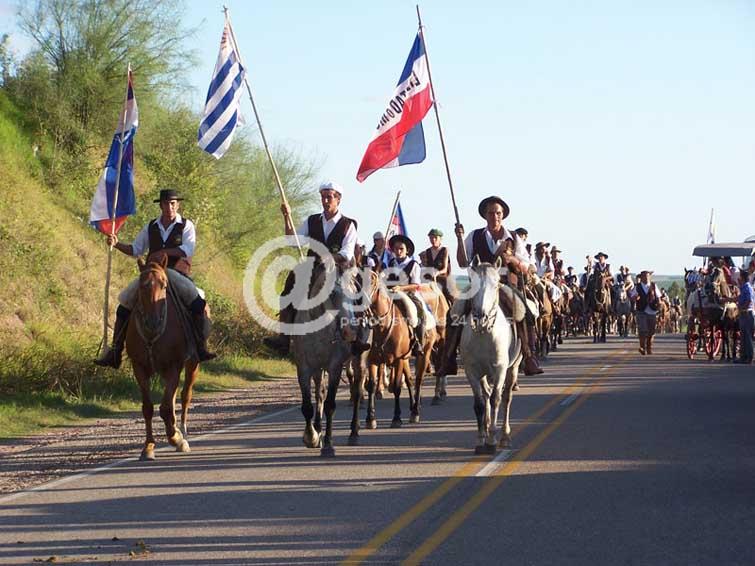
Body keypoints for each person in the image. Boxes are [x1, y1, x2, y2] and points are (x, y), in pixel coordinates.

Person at [94, 189, 215, 368]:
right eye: (166, 203)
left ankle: (200, 346)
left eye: (172, 203)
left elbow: (187, 249)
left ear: (178, 205)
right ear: (161, 206)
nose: (169, 207)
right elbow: (136, 249)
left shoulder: (186, 225)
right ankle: (115, 350)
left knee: (198, 303)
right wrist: (117, 244)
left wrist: (163, 252)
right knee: (124, 303)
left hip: (177, 274)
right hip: (153, 274)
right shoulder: (151, 226)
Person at [439, 195, 543, 376]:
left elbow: (527, 266)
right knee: (454, 313)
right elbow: (463, 262)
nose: (495, 216)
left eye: (498, 213)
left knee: (524, 312)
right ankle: (448, 359)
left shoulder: (513, 238)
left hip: (505, 285)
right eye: (491, 213)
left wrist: (512, 259)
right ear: (485, 215)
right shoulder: (474, 236)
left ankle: (529, 356)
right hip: (478, 286)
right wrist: (459, 239)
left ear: (503, 215)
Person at [263, 180, 366, 355]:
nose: (325, 201)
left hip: (337, 270)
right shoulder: (312, 220)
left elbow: (347, 253)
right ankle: (284, 337)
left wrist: (328, 258)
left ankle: (352, 335)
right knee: (288, 289)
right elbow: (293, 241)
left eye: (329, 197)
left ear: (338, 199)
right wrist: (287, 217)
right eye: (323, 197)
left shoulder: (348, 224)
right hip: (311, 268)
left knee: (349, 294)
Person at [385, 234, 430, 356]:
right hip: (391, 294)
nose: (398, 251)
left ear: (407, 250)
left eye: (401, 249)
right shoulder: (392, 263)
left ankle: (419, 341)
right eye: (396, 249)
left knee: (419, 312)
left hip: (409, 294)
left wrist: (401, 288)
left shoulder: (413, 265)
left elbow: (416, 285)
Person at [631, 270, 661, 355]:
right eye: (644, 276)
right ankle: (642, 347)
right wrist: (635, 298)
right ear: (641, 278)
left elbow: (658, 297)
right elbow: (632, 296)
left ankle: (649, 347)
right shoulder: (637, 287)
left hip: (652, 311)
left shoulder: (654, 286)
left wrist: (659, 304)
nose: (646, 278)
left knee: (651, 331)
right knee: (642, 330)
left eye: (648, 276)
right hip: (641, 311)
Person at [421, 228, 452, 303]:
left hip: (442, 277)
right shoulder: (427, 251)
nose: (433, 240)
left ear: (440, 239)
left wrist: (437, 273)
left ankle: (453, 306)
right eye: (431, 238)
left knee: (450, 293)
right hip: (430, 277)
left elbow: (445, 269)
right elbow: (426, 266)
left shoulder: (445, 250)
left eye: (435, 238)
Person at [735, 270, 754, 364]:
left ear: (742, 277)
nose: (738, 278)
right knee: (743, 336)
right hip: (743, 314)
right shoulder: (743, 288)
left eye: (740, 276)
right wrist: (727, 299)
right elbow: (739, 298)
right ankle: (743, 356)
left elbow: (749, 300)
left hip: (747, 313)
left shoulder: (747, 288)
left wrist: (742, 308)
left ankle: (749, 357)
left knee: (747, 336)